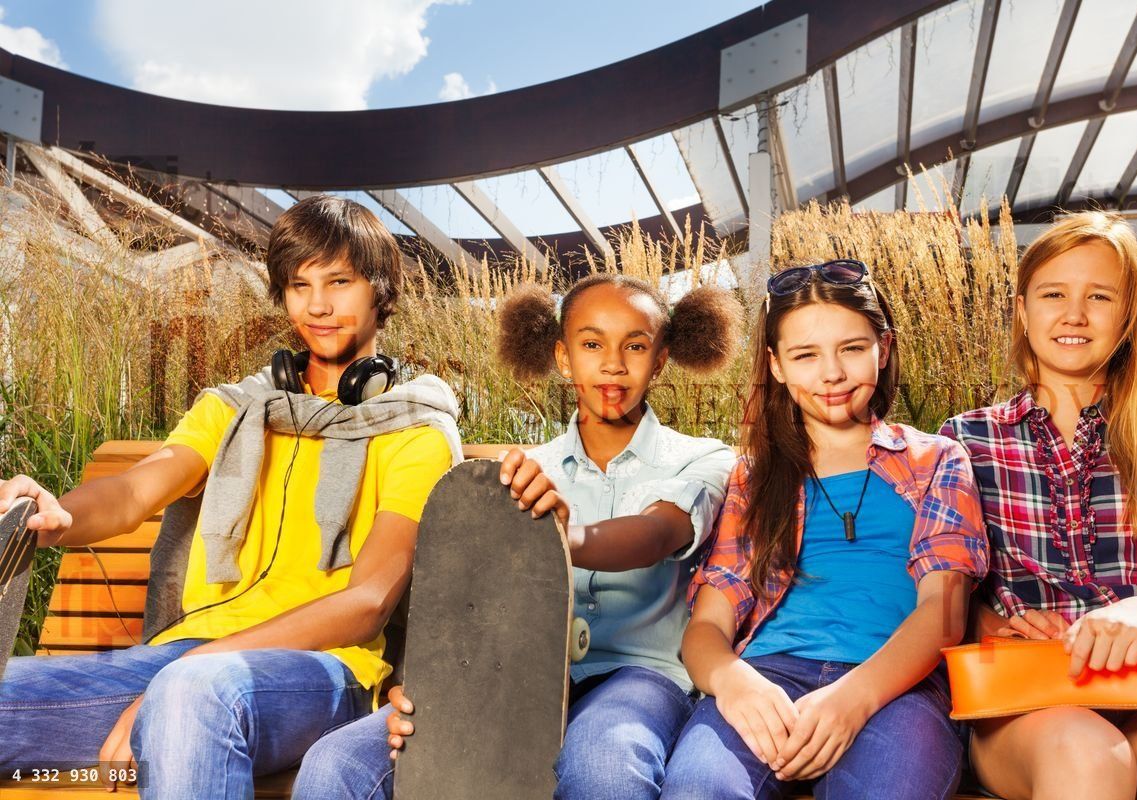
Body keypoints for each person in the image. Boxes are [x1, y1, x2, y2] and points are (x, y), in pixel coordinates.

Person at [0, 195, 462, 799]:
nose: (317, 305)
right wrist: (60, 514)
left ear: (381, 291)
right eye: (299, 285)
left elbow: (368, 601)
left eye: (339, 282)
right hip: (187, 655)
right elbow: (137, 489)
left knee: (193, 691)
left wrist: (191, 668)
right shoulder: (236, 410)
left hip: (327, 670)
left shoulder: (414, 433)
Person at [294, 272, 743, 800]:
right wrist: (433, 685)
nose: (614, 363)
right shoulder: (522, 469)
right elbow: (472, 605)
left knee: (602, 766)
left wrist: (557, 535)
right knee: (334, 764)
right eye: (592, 343)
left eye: (636, 345)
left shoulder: (704, 457)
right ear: (562, 356)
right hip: (514, 671)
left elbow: (656, 532)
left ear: (661, 358)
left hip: (642, 675)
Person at [660, 259, 988, 799]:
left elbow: (945, 613)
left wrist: (851, 699)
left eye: (852, 349)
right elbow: (707, 627)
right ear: (778, 366)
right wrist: (731, 681)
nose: (831, 373)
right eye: (805, 355)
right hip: (768, 677)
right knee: (697, 789)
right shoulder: (756, 476)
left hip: (897, 687)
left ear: (883, 348)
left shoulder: (937, 460)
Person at [941, 212, 1137, 800]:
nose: (1074, 314)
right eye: (1053, 293)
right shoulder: (965, 440)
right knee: (1086, 755)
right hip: (1024, 703)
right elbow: (943, 590)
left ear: (1129, 316)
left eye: (1099, 296)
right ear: (1022, 310)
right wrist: (993, 624)